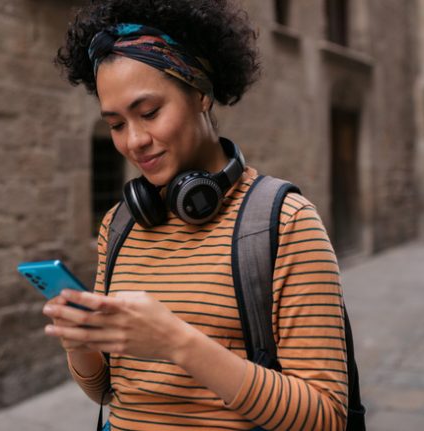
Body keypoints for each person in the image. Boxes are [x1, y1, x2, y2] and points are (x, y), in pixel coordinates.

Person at [43, 1, 349, 429]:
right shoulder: (120, 224)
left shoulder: (285, 222)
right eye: (115, 124)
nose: (134, 141)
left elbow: (326, 417)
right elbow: (109, 391)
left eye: (149, 113)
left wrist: (177, 343)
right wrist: (80, 344)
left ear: (201, 92)